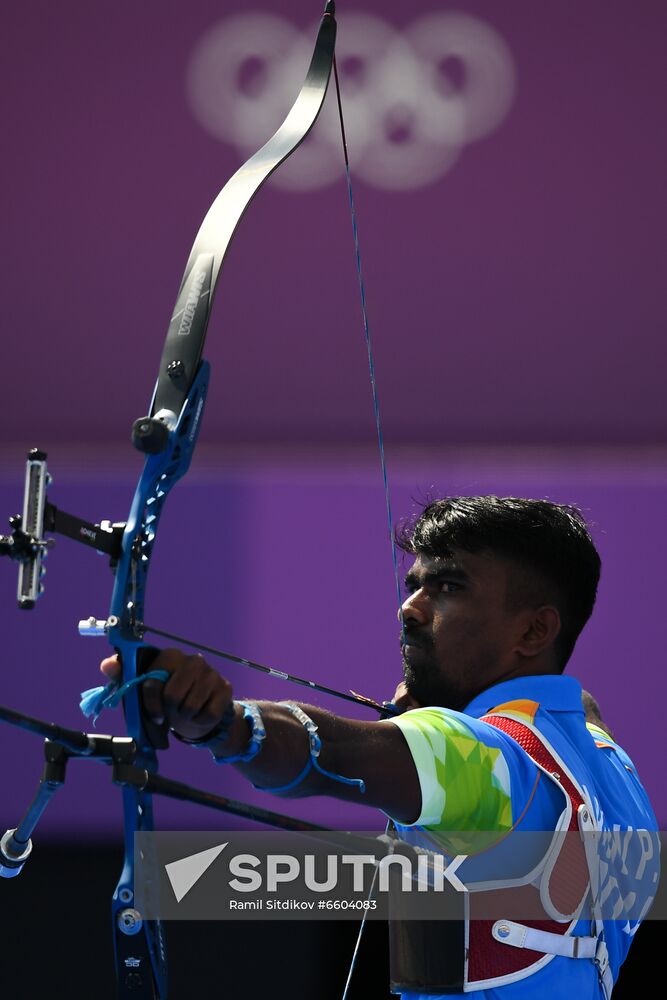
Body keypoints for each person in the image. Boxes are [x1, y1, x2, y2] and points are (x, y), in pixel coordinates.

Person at [101, 496, 658, 998]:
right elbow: (579, 704)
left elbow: (334, 754)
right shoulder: (608, 760)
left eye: (449, 587)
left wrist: (221, 722)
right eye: (415, 583)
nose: (409, 608)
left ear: (534, 633)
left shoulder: (489, 758)